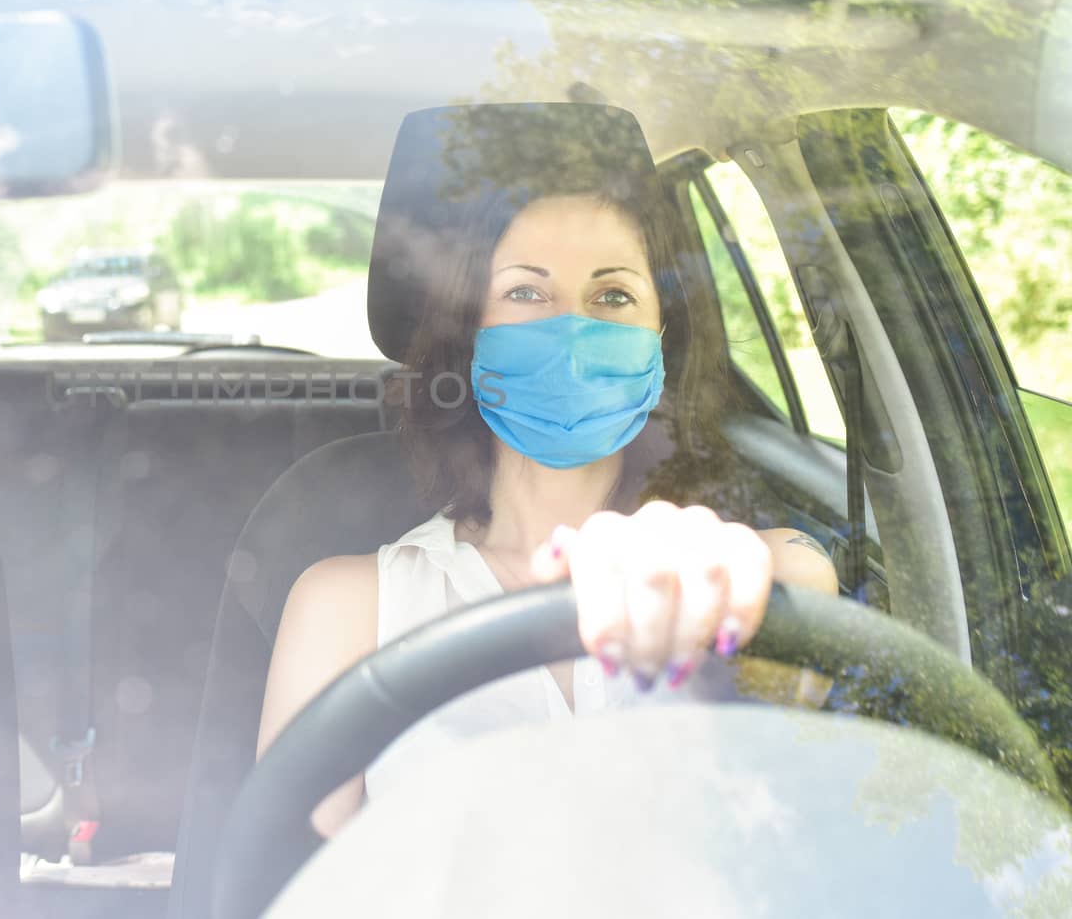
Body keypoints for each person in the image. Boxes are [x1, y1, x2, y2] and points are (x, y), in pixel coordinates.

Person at [256, 104, 840, 837]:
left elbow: (803, 576)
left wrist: (722, 574)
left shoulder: (723, 576)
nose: (572, 328)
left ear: (663, 339)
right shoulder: (350, 607)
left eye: (613, 296)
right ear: (471, 337)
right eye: (527, 292)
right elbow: (284, 886)